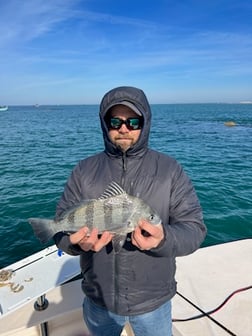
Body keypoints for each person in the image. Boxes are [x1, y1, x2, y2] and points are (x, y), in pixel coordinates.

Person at [54, 86, 207, 336]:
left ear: (144, 123)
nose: (124, 128)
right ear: (105, 124)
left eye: (133, 121)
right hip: (98, 298)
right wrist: (75, 244)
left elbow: (194, 229)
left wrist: (163, 239)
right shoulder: (83, 171)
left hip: (153, 301)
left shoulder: (170, 170)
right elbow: (60, 228)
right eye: (115, 121)